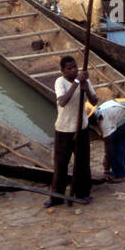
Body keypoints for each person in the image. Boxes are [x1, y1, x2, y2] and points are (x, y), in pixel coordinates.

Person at [48, 55, 97, 205]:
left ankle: (82, 193)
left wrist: (86, 88)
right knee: (61, 164)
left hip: (81, 127)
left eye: (75, 67)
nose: (74, 70)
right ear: (62, 71)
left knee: (82, 163)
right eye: (69, 68)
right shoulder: (60, 82)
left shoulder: (84, 80)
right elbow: (62, 102)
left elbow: (94, 101)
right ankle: (56, 197)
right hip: (63, 128)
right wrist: (76, 82)